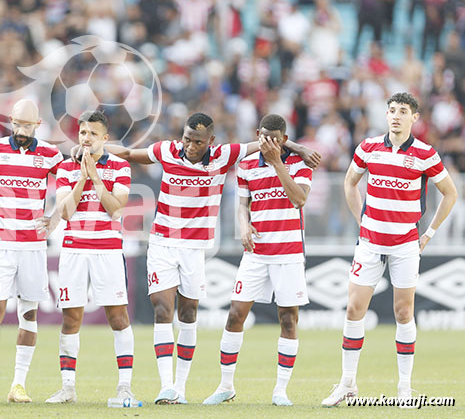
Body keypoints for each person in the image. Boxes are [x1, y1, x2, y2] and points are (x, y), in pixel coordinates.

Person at [105, 113, 320, 404]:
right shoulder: (167, 151)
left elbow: (268, 143)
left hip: (198, 247)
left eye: (198, 142)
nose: (191, 146)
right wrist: (95, 150)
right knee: (162, 311)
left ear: (211, 142)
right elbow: (130, 153)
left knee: (189, 314)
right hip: (162, 242)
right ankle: (168, 387)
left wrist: (298, 148)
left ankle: (182, 387)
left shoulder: (223, 156)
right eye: (187, 139)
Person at [322, 92, 458, 406]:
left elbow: (450, 194)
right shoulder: (368, 147)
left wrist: (429, 234)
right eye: (392, 110)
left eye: (403, 111)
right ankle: (347, 384)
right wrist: (362, 220)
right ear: (386, 115)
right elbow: (349, 183)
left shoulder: (425, 154)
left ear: (415, 118)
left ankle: (404, 389)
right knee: (354, 310)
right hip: (369, 243)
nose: (396, 116)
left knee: (403, 312)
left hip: (406, 245)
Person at [203, 114, 313, 407]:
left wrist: (278, 163)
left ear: (284, 140)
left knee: (288, 319)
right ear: (257, 134)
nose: (268, 144)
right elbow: (242, 204)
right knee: (235, 314)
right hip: (256, 251)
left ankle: (280, 391)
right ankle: (226, 386)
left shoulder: (300, 165)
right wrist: (243, 224)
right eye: (264, 138)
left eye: (275, 139)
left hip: (288, 253)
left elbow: (299, 200)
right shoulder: (247, 165)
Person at [45, 110, 139, 405]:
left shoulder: (121, 167)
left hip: (107, 249)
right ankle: (68, 388)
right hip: (73, 248)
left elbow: (116, 208)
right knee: (71, 317)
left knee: (118, 316)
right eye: (83, 133)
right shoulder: (65, 168)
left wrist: (95, 176)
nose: (86, 138)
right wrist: (82, 178)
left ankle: (124, 386)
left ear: (105, 138)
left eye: (93, 134)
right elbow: (64, 212)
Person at [0, 99, 64, 404]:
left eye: (28, 125)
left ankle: (18, 385)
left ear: (37, 125)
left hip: (32, 245)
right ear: (10, 121)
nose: (21, 130)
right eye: (17, 124)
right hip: (0, 244)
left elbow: (70, 186)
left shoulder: (50, 154)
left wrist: (54, 218)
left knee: (29, 313)